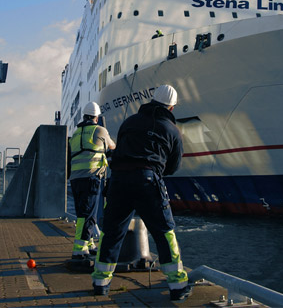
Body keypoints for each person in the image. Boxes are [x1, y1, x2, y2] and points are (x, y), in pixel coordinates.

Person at [91, 84, 192, 301]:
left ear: (152, 100)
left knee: (112, 231)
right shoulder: (172, 130)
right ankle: (177, 286)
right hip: (147, 180)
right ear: (171, 108)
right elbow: (173, 167)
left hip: (118, 181)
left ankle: (101, 283)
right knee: (164, 231)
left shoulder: (129, 122)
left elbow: (119, 150)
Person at [68, 101, 115, 261]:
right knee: (88, 215)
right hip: (91, 177)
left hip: (75, 179)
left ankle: (88, 245)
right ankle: (79, 250)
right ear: (96, 117)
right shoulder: (100, 130)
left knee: (82, 212)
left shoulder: (75, 133)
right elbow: (112, 146)